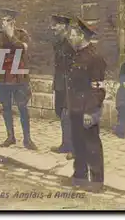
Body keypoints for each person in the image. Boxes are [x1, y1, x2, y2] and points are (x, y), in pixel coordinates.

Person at [63, 17, 106, 193]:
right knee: (78, 143)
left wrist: (90, 111)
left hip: (88, 108)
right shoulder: (76, 55)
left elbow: (98, 88)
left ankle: (97, 182)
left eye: (72, 35)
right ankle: (79, 176)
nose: (70, 38)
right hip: (75, 107)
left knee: (92, 144)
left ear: (81, 36)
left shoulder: (95, 57)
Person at [0, 8, 37, 150]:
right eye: (2, 20)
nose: (3, 23)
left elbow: (22, 48)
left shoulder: (22, 35)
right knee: (6, 107)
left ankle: (27, 138)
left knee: (22, 107)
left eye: (5, 20)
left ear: (13, 22)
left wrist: (11, 35)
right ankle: (10, 136)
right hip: (3, 77)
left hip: (19, 77)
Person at [49, 15, 75, 160]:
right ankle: (65, 144)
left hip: (69, 83)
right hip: (60, 82)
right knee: (60, 111)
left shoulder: (70, 42)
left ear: (64, 26)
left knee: (68, 115)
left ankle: (72, 147)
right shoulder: (57, 42)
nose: (53, 27)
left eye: (56, 25)